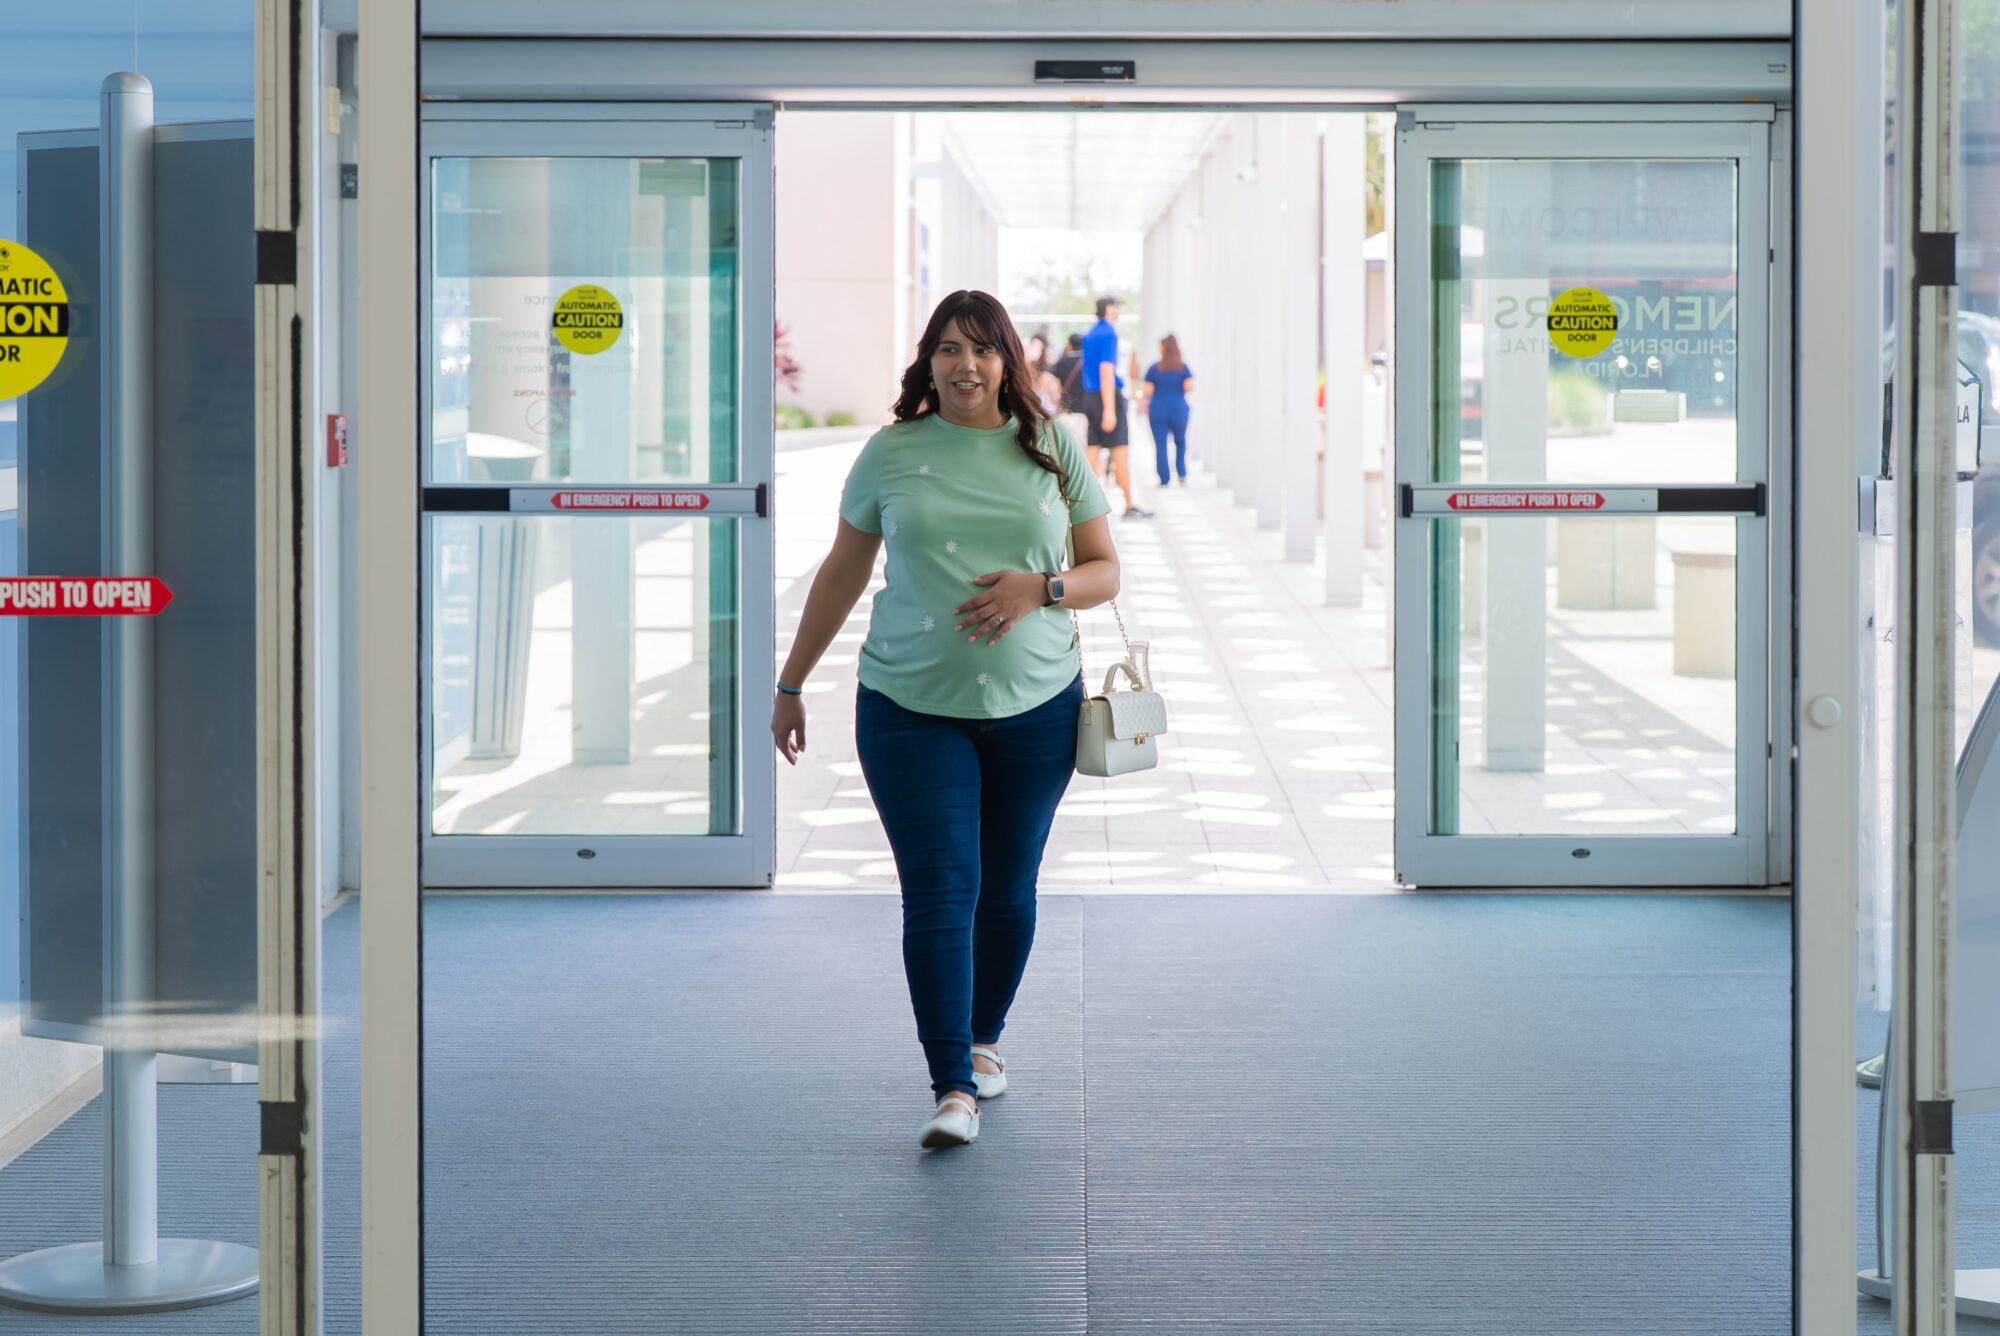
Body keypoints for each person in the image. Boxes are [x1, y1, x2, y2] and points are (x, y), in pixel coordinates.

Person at [771, 289, 1122, 1151]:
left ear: (1010, 361)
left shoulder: (1050, 448)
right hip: (907, 706)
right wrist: (790, 682)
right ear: (927, 362)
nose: (966, 366)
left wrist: (1034, 589)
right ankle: (952, 1086)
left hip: (1038, 707)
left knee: (1007, 889)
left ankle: (984, 1037)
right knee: (940, 891)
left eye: (982, 350)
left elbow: (1105, 571)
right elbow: (843, 573)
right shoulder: (891, 453)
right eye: (948, 350)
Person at [1081, 295, 1149, 519]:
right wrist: (1109, 409)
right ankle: (1129, 504)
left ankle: (1082, 502)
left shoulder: (1090, 333)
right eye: (1117, 306)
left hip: (1090, 395)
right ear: (1109, 309)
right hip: (1106, 396)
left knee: (1093, 448)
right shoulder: (1109, 333)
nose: (1119, 310)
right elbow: (1106, 371)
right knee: (1120, 450)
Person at [1141, 334, 1195, 486]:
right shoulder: (1183, 367)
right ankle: (1181, 473)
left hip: (1158, 408)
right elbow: (1189, 387)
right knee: (1180, 441)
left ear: (1163, 348)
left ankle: (1164, 478)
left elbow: (1148, 390)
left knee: (1161, 444)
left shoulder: (1154, 368)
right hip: (1178, 408)